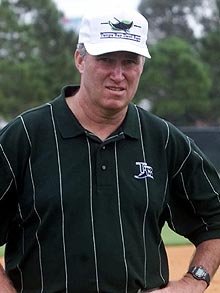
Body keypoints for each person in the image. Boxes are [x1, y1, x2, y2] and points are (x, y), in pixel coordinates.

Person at [0, 6, 220, 293]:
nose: (119, 74)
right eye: (106, 59)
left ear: (141, 66)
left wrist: (194, 281)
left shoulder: (163, 139)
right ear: (80, 59)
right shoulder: (26, 136)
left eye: (130, 61)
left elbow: (215, 217)